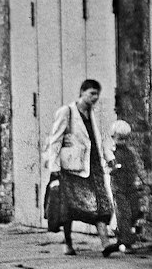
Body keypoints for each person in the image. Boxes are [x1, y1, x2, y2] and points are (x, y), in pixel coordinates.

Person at [45, 79, 114, 256]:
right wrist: (54, 166)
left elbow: (101, 139)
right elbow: (55, 140)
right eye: (91, 93)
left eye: (97, 94)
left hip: (94, 167)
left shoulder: (94, 114)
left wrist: (109, 158)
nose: (95, 97)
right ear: (82, 92)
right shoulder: (67, 112)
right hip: (72, 168)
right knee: (68, 208)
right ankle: (68, 244)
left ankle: (105, 244)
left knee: (101, 205)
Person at [108, 118, 145, 255]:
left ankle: (127, 236)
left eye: (125, 139)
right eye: (120, 139)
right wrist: (113, 168)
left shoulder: (131, 153)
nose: (123, 142)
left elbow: (137, 167)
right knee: (123, 214)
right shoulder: (111, 152)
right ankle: (125, 242)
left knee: (135, 211)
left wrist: (142, 179)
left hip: (131, 186)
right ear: (113, 137)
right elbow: (107, 167)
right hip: (118, 188)